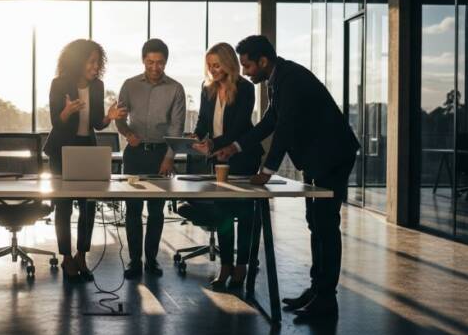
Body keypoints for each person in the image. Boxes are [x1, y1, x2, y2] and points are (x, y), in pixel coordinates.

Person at [214, 35, 359, 319]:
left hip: (333, 156)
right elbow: (269, 121)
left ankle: (326, 298)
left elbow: (285, 129)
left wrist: (267, 172)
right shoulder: (279, 79)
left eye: (247, 65)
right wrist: (236, 146)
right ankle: (318, 290)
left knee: (326, 226)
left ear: (263, 61)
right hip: (319, 158)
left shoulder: (290, 79)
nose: (244, 71)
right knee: (315, 223)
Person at [44, 39, 127, 282]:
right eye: (91, 61)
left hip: (86, 149)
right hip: (61, 150)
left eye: (97, 62)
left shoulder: (98, 86)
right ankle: (66, 257)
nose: (95, 66)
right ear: (78, 61)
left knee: (88, 205)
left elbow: (96, 123)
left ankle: (81, 254)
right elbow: (56, 122)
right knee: (64, 205)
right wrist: (67, 111)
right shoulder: (59, 84)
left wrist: (109, 117)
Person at [189, 42, 261, 289]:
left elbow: (240, 126)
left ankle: (242, 265)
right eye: (209, 66)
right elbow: (202, 121)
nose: (213, 70)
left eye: (217, 65)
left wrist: (212, 143)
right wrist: (196, 138)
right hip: (219, 159)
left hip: (243, 156)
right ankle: (226, 266)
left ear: (229, 63)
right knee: (223, 213)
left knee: (244, 213)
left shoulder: (246, 88)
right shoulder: (207, 89)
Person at [116, 38, 186, 279]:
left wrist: (169, 158)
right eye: (150, 62)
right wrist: (126, 133)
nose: (155, 68)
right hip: (134, 155)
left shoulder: (176, 89)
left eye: (160, 63)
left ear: (166, 62)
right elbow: (119, 118)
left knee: (156, 211)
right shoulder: (129, 85)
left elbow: (177, 127)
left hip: (160, 156)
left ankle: (152, 260)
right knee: (133, 209)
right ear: (143, 60)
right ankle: (135, 261)